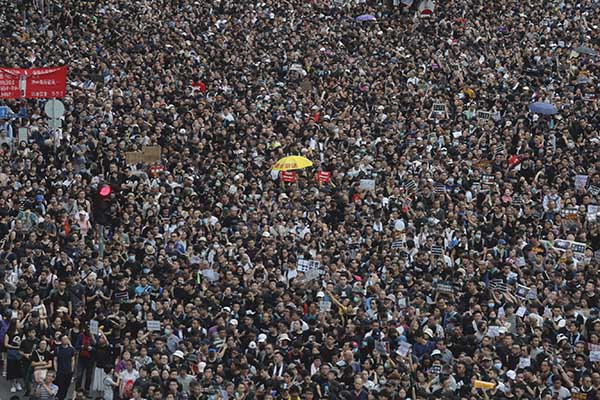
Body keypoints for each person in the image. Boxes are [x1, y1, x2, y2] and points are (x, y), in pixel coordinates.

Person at [54, 335, 76, 400]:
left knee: (66, 386)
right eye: (64, 339)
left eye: (67, 338)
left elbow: (73, 359)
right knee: (60, 386)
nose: (66, 340)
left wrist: (72, 369)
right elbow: (55, 360)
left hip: (68, 371)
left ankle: (63, 397)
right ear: (61, 340)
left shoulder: (71, 349)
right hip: (60, 371)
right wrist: (56, 370)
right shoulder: (57, 349)